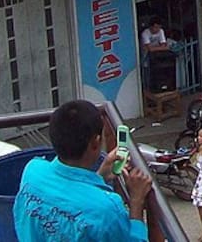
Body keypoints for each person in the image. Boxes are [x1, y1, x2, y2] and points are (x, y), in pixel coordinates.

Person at [12, 100, 152, 242]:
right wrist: (136, 201)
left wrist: (100, 176)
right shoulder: (106, 209)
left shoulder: (33, 171)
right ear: (95, 142)